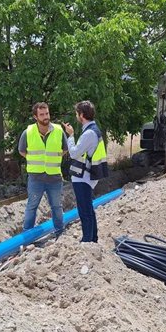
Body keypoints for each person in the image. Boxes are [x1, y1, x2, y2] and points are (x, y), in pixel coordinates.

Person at [18, 102, 68, 237]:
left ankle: (59, 233)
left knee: (57, 207)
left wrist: (54, 158)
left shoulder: (58, 130)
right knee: (32, 206)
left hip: (54, 177)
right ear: (35, 117)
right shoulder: (28, 132)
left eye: (47, 113)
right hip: (36, 178)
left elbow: (65, 149)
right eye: (42, 114)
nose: (46, 117)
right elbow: (21, 151)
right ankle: (27, 235)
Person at [63, 100, 109, 243]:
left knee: (84, 211)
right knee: (88, 209)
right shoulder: (93, 130)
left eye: (77, 113)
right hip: (87, 176)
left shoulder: (89, 133)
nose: (76, 116)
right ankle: (92, 239)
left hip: (83, 177)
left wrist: (70, 136)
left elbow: (74, 153)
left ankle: (87, 240)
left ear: (81, 115)